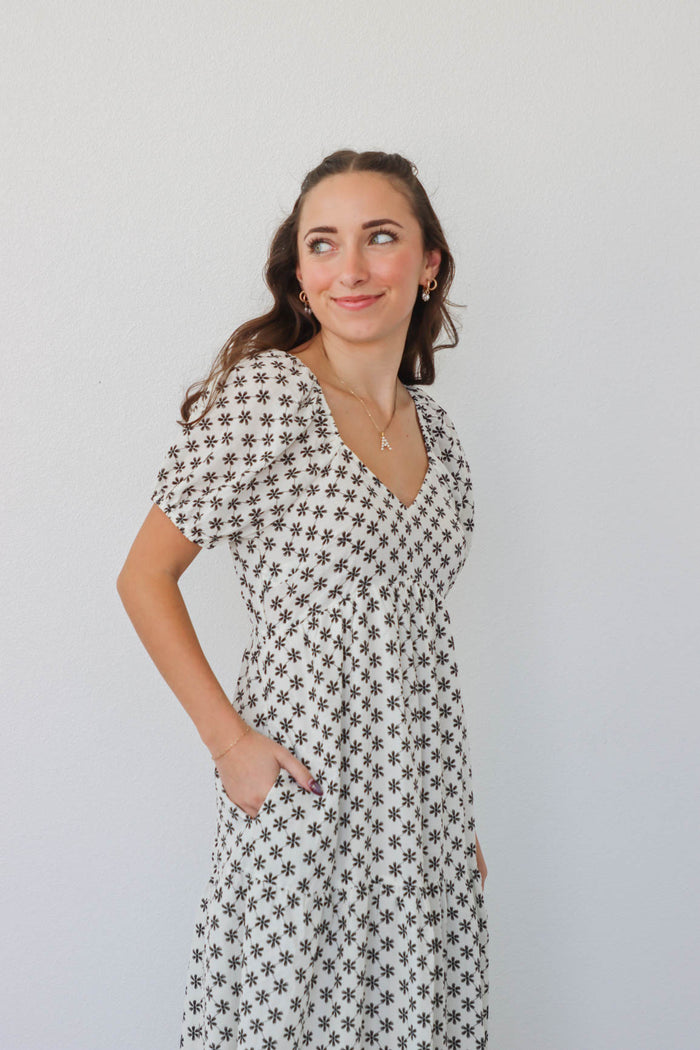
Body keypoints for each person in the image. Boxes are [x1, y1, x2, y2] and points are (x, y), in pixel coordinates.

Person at [117, 148, 490, 1050]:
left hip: (423, 801)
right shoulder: (272, 398)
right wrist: (230, 745)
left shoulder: (435, 428)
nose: (350, 268)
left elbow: (419, 639)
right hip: (307, 779)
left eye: (381, 238)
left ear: (429, 260)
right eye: (323, 245)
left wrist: (453, 813)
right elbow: (144, 576)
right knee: (290, 1020)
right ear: (298, 272)